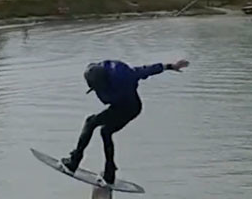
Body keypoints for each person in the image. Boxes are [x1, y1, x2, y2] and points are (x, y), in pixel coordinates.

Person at [60, 58, 189, 185]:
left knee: (92, 123)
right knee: (105, 132)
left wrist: (171, 66)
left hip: (130, 108)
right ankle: (109, 173)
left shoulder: (123, 74)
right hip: (119, 107)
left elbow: (146, 70)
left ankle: (74, 162)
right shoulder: (97, 74)